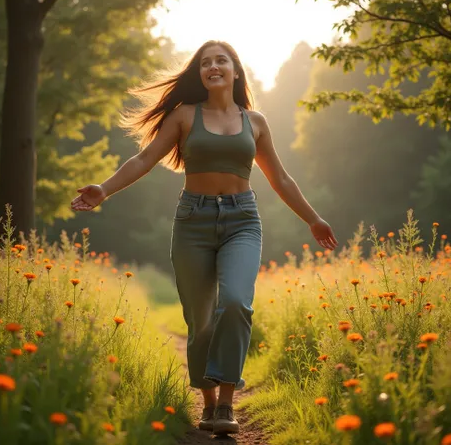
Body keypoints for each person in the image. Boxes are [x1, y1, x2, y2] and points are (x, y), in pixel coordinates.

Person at [70, 40, 338, 436]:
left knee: (234, 304)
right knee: (200, 319)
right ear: (201, 74)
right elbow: (144, 158)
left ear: (235, 71)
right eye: (206, 62)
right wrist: (104, 189)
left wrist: (312, 218)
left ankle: (227, 402)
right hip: (192, 221)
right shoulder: (183, 116)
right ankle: (208, 402)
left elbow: (280, 178)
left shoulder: (256, 121)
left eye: (221, 60)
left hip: (242, 220)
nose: (213, 66)